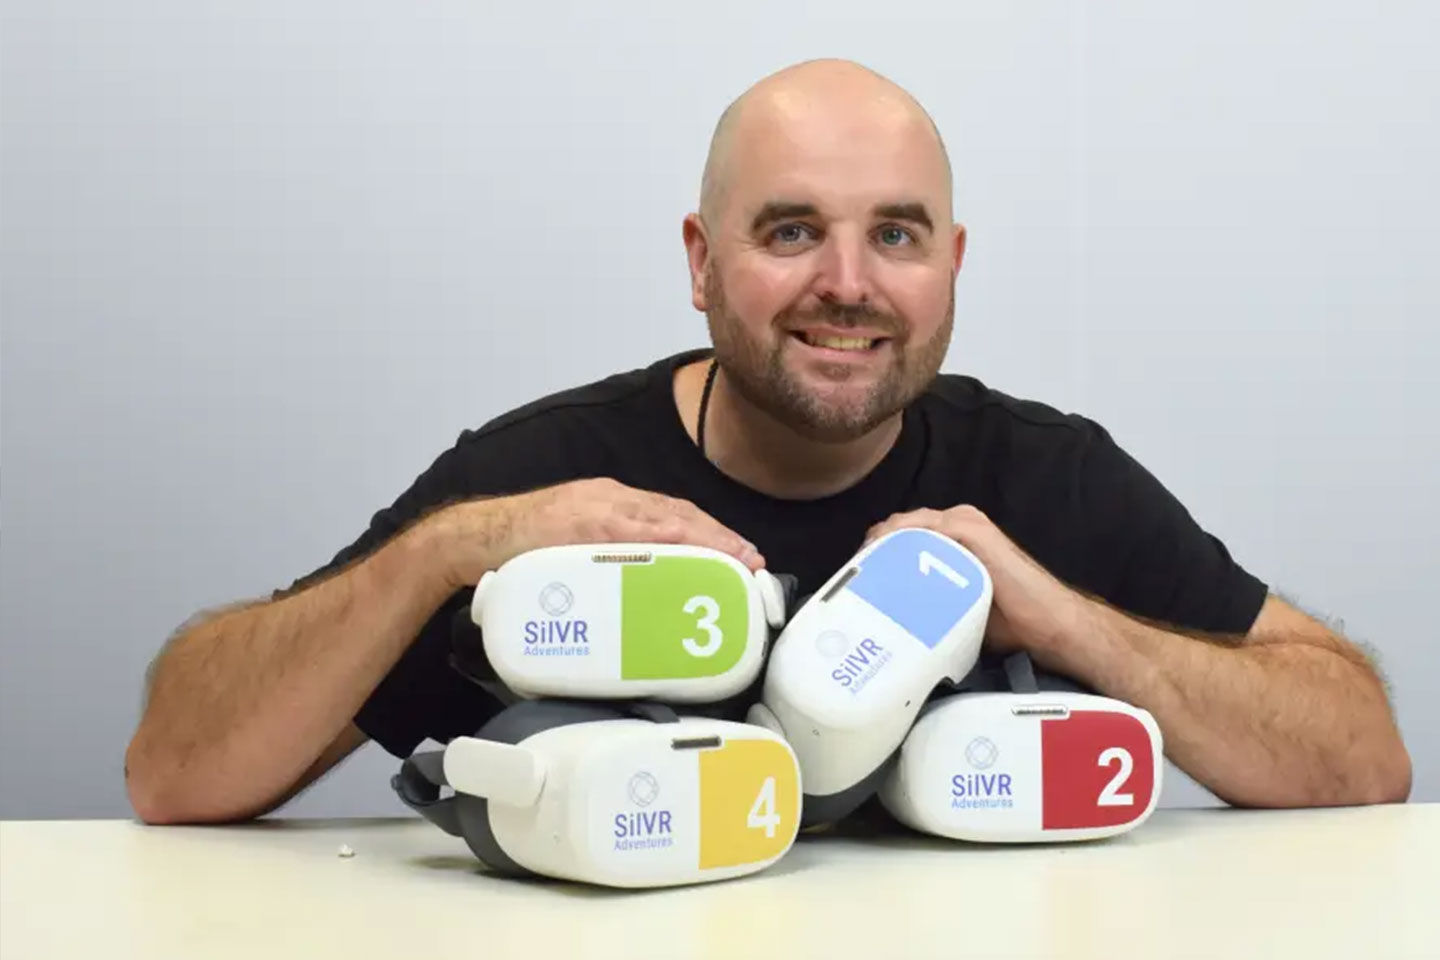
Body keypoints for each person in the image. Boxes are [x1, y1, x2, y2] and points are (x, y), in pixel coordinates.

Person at [124, 59, 1411, 825]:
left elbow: (1364, 761)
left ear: (951, 267)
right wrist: (445, 554)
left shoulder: (1043, 478)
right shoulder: (545, 481)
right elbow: (174, 772)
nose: (847, 285)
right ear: (700, 261)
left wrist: (1071, 622)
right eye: (791, 231)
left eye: (895, 236)